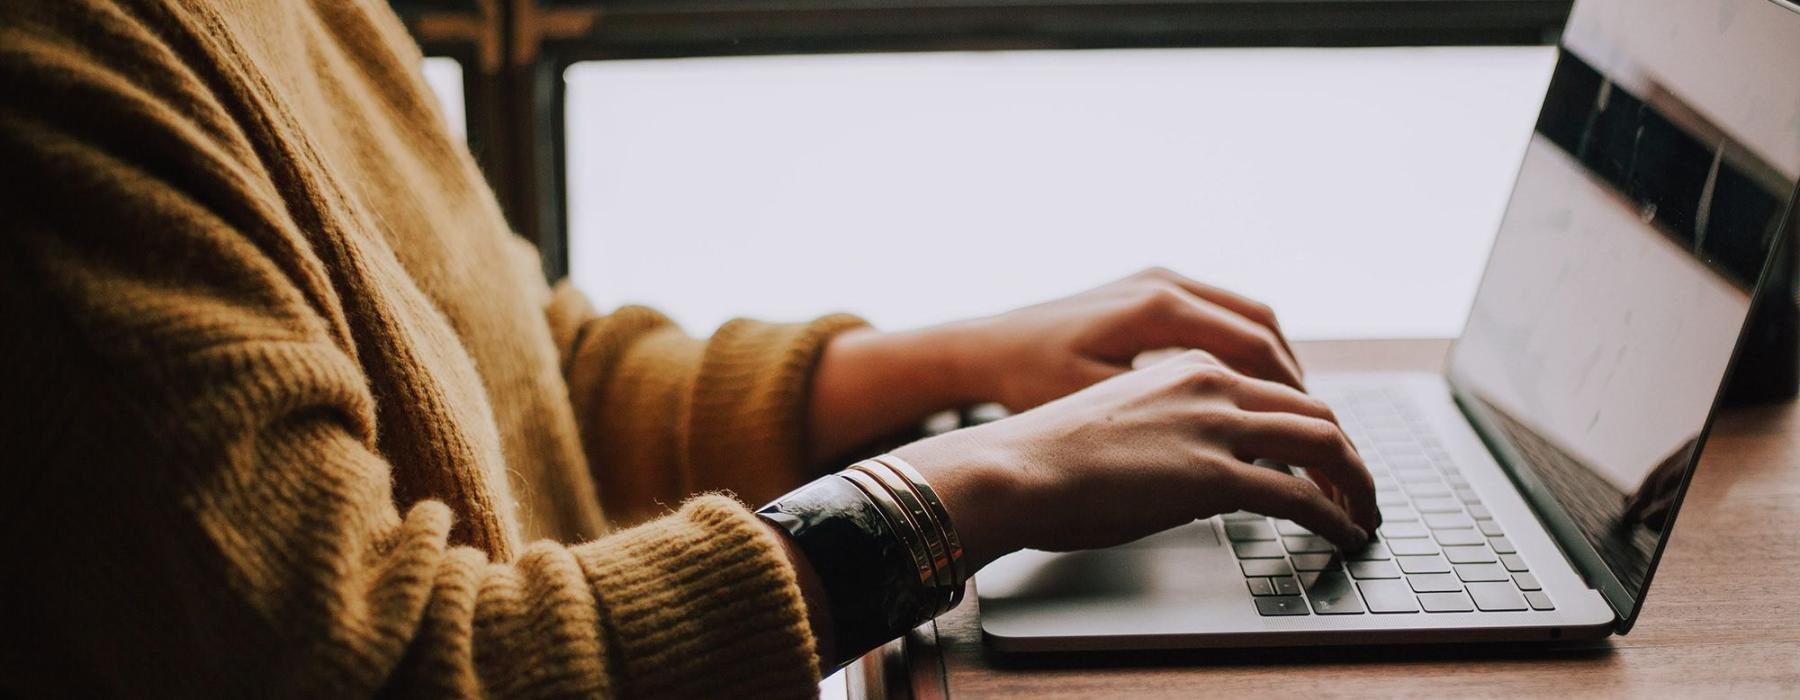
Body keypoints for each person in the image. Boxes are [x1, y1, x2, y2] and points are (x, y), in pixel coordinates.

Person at [0, 0, 1378, 696]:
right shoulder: (54, 77)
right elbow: (407, 667)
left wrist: (956, 362)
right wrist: (970, 486)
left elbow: (518, 371)